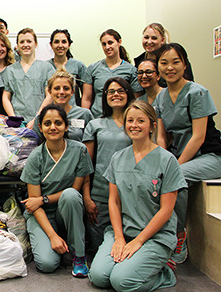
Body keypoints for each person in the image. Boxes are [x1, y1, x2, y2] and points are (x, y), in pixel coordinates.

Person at [89, 100, 186, 292]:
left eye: (141, 121)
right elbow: (114, 202)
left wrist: (139, 241)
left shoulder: (167, 161)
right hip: (124, 232)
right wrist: (118, 238)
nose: (134, 125)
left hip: (155, 236)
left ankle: (164, 273)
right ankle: (130, 263)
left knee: (121, 281)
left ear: (152, 125)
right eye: (130, 120)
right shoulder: (118, 158)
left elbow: (167, 210)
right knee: (99, 277)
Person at [155, 43, 221, 266]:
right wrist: (163, 162)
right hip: (179, 156)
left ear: (185, 65)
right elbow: (162, 137)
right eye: (164, 63)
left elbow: (198, 137)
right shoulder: (161, 97)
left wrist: (172, 167)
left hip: (210, 155)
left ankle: (179, 237)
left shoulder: (197, 92)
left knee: (177, 178)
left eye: (175, 62)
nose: (169, 67)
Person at [21, 104, 93, 276]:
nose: (52, 127)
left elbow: (75, 191)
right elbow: (34, 204)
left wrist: (43, 199)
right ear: (41, 127)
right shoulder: (35, 157)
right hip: (41, 214)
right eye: (47, 123)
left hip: (65, 209)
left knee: (70, 195)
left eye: (58, 123)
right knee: (47, 264)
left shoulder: (79, 151)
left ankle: (79, 256)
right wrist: (52, 236)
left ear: (66, 126)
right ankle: (57, 242)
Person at [82, 77, 134, 251]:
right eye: (111, 92)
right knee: (102, 247)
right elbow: (87, 165)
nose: (116, 95)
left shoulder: (135, 124)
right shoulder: (95, 125)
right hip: (100, 195)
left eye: (120, 91)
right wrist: (87, 197)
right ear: (104, 96)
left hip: (130, 193)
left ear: (128, 94)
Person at [81, 29, 141, 118]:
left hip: (122, 119)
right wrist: (85, 119)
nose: (107, 47)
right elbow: (86, 99)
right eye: (104, 44)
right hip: (98, 118)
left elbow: (136, 100)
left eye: (110, 43)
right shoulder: (93, 68)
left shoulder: (131, 70)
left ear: (119, 42)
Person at [2, 28, 55, 128]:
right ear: (17, 46)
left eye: (29, 41)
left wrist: (36, 119)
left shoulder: (46, 68)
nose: (25, 44)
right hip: (17, 122)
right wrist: (14, 119)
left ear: (36, 44)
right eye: (22, 42)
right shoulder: (10, 70)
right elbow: (6, 97)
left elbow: (50, 96)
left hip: (40, 121)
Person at [33, 68, 93, 142]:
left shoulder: (84, 114)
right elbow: (36, 144)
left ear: (72, 92)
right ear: (50, 91)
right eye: (57, 88)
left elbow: (91, 142)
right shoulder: (41, 117)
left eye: (66, 88)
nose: (61, 92)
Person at [47, 29, 87, 106]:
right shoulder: (45, 66)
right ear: (51, 45)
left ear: (69, 45)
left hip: (72, 112)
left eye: (64, 42)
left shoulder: (78, 66)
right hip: (51, 111)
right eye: (56, 42)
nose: (60, 45)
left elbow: (86, 95)